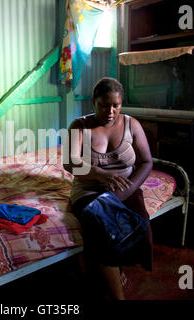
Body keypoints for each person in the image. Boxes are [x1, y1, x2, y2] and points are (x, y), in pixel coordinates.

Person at [63, 77, 153, 300]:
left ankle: (110, 266)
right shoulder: (80, 126)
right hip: (90, 190)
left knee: (139, 227)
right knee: (102, 228)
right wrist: (101, 173)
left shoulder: (132, 125)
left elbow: (146, 162)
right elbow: (70, 162)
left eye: (116, 105)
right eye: (104, 105)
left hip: (125, 188)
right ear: (94, 102)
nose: (111, 111)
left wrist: (125, 191)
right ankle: (117, 295)